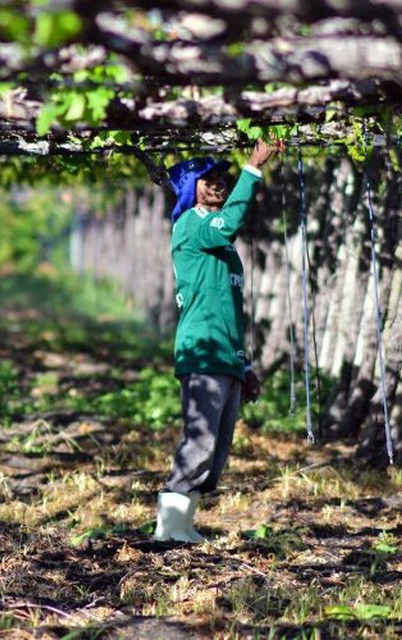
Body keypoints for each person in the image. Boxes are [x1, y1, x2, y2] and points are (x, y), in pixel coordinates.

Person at [154, 138, 283, 543]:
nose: (217, 183)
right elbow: (227, 222)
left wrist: (244, 365)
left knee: (217, 452)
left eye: (220, 178)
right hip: (202, 352)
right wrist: (253, 168)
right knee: (200, 442)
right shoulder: (192, 226)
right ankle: (168, 530)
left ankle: (182, 524)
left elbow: (232, 315)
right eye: (207, 179)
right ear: (190, 186)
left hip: (224, 356)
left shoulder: (225, 253)